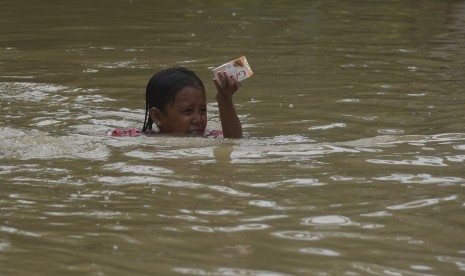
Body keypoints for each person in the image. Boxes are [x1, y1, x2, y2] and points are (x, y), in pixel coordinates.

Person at [110, 66, 242, 138]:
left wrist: (225, 99)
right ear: (157, 116)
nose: (198, 120)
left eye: (202, 110)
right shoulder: (134, 138)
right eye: (188, 111)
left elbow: (233, 141)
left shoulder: (210, 136)